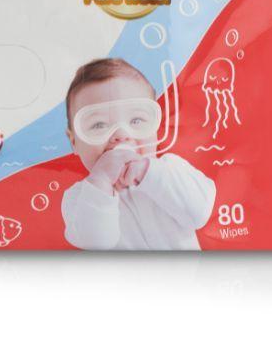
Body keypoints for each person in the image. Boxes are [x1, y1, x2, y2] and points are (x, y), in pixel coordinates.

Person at [61, 57, 215, 250]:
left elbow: (198, 213)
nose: (121, 135)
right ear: (74, 142)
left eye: (136, 121)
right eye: (99, 125)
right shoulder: (78, 198)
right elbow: (96, 243)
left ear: (155, 126)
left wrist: (150, 172)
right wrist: (101, 181)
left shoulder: (172, 169)